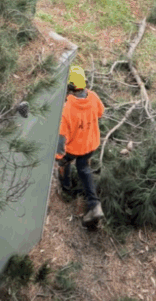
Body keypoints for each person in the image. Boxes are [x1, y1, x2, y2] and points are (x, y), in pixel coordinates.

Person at [55, 63, 105, 225]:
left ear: (69, 86)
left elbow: (62, 138)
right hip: (91, 144)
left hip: (74, 148)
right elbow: (100, 112)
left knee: (64, 163)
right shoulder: (93, 96)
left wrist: (58, 157)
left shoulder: (67, 109)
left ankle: (66, 189)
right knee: (84, 169)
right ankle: (94, 205)